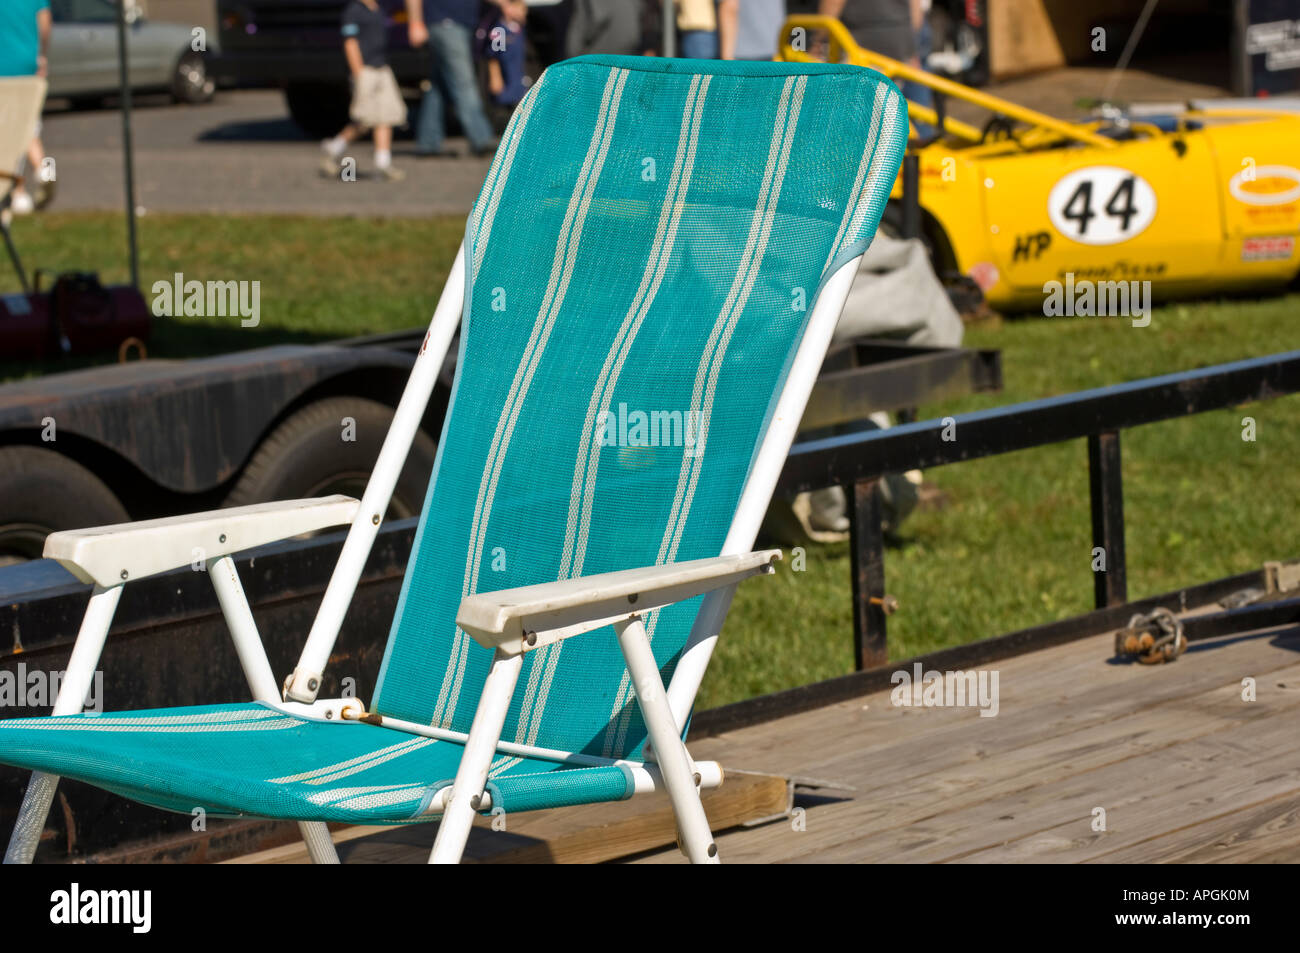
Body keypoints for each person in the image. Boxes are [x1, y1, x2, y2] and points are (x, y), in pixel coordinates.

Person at [321, 0, 407, 181]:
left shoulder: (378, 8)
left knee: (387, 116)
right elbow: (350, 43)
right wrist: (358, 73)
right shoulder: (353, 11)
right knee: (363, 119)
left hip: (382, 68)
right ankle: (335, 147)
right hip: (365, 70)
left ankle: (383, 162)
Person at [406, 0, 499, 158]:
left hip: (456, 24)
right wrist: (415, 22)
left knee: (439, 86)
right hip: (446, 24)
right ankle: (481, 138)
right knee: (464, 83)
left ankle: (428, 142)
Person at [0, 0, 53, 214]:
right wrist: (42, 56)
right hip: (27, 65)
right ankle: (46, 170)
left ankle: (18, 192)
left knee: (7, 137)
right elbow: (45, 25)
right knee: (29, 128)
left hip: (2, 68)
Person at [479, 0, 528, 128]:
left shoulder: (518, 30)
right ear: (508, 9)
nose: (524, 13)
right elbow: (493, 56)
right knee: (503, 115)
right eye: (521, 9)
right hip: (504, 79)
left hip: (516, 80)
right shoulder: (499, 31)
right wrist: (495, 77)